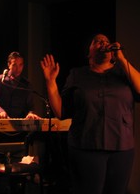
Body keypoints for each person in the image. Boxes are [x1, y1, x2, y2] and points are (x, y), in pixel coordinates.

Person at [40, 33, 140, 194]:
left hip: (121, 148)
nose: (103, 43)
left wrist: (122, 59)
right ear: (89, 52)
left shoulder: (123, 73)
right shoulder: (77, 75)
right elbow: (60, 111)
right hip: (85, 147)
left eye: (106, 41)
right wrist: (50, 82)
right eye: (97, 41)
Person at [0, 51, 41, 193]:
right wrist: (0, 111)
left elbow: (30, 108)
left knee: (17, 168)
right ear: (8, 64)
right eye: (14, 65)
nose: (18, 68)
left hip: (18, 131)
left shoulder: (26, 85)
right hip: (0, 129)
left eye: (21, 65)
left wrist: (30, 114)